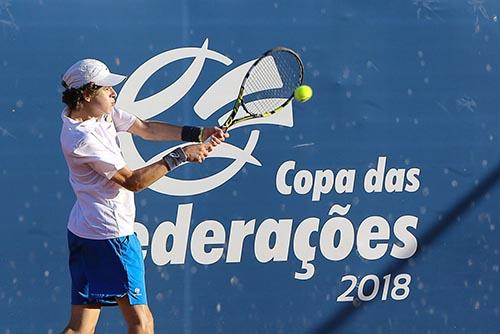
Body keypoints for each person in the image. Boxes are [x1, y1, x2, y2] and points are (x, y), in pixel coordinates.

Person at [59, 58, 228, 334]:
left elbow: (146, 128)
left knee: (80, 328)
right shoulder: (82, 140)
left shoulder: (91, 113)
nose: (113, 93)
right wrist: (181, 155)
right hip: (110, 236)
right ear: (87, 93)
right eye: (106, 89)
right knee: (142, 322)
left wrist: (199, 133)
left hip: (83, 230)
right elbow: (133, 182)